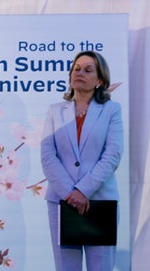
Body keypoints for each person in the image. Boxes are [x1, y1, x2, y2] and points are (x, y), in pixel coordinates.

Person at [40, 51, 123, 271]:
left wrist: (83, 190)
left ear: (100, 81)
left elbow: (112, 155)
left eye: (88, 70)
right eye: (77, 68)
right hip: (61, 202)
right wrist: (70, 193)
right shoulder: (54, 111)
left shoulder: (111, 110)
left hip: (99, 200)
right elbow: (48, 156)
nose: (80, 73)